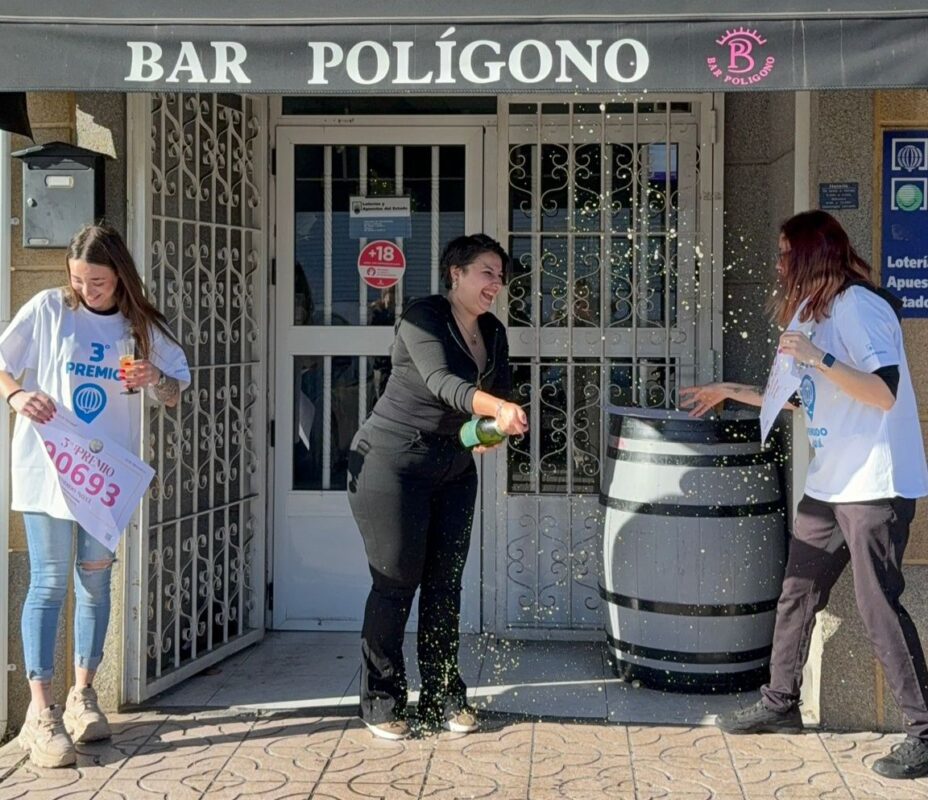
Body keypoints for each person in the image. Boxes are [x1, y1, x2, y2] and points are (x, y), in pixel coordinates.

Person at [680, 210, 928, 781]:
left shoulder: (859, 307)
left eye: (785, 253)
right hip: (830, 484)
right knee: (797, 591)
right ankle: (779, 702)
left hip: (873, 484)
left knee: (876, 605)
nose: (778, 264)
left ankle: (923, 732)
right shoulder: (811, 311)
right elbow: (802, 397)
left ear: (813, 254)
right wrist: (731, 391)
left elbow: (884, 392)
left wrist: (819, 357)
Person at [0, 224, 190, 768]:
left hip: (104, 477)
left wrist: (155, 377)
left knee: (95, 580)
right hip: (49, 469)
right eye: (79, 279)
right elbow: (2, 363)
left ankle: (84, 694)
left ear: (120, 276)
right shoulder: (49, 309)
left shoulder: (139, 326)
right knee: (49, 582)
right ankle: (41, 712)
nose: (87, 290)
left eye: (98, 282)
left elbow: (174, 392)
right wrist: (17, 396)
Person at [347, 234, 528, 740]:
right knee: (396, 581)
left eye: (500, 276)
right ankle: (381, 699)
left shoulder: (493, 331)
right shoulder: (422, 317)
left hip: (453, 466)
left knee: (445, 585)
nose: (496, 284)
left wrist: (490, 431)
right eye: (487, 272)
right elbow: (443, 383)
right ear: (457, 274)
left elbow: (497, 394)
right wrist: (497, 409)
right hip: (392, 463)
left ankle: (444, 694)